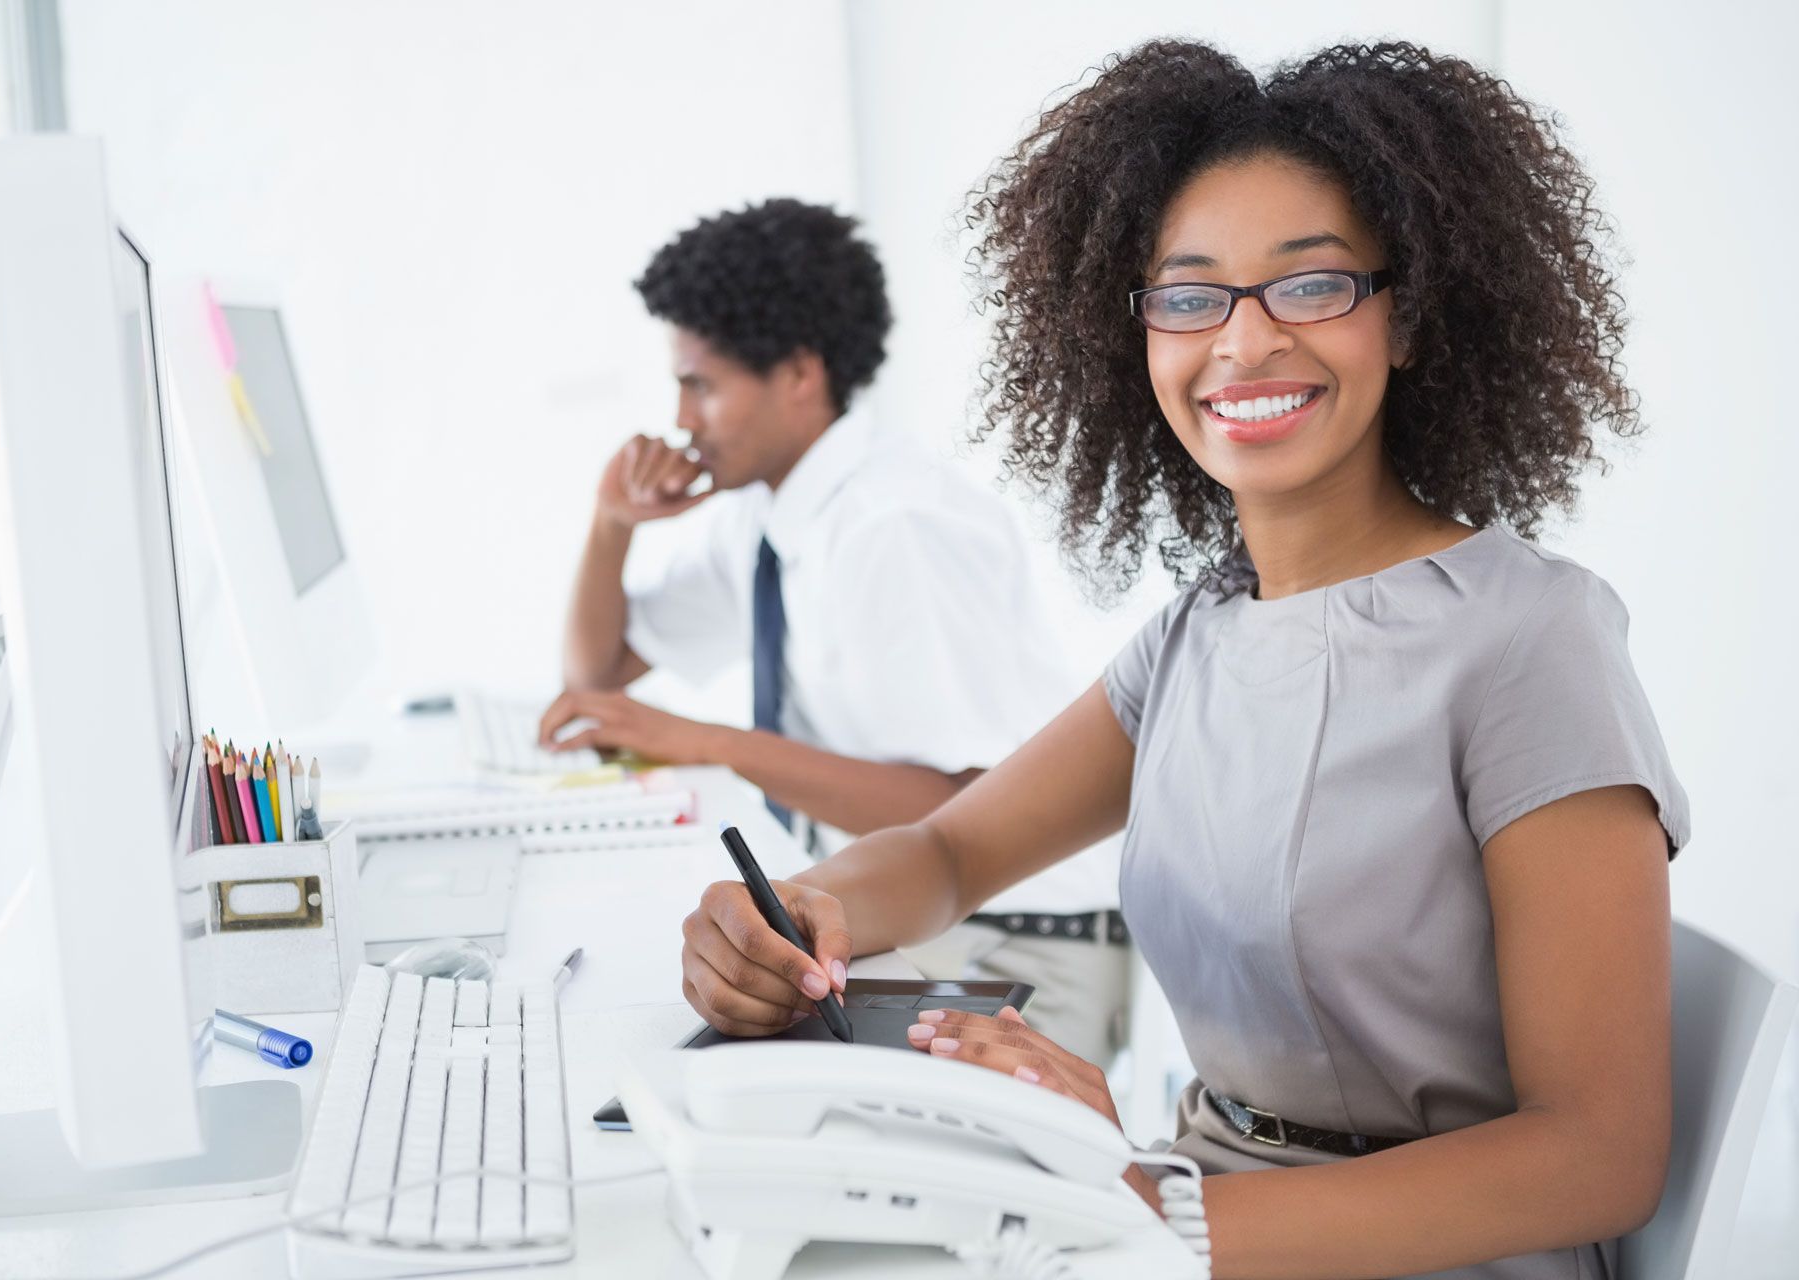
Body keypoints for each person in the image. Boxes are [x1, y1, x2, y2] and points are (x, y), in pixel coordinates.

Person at [677, 41, 1688, 1280]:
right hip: (1175, 1207)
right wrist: (806, 911)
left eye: (1310, 285)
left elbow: (1599, 1153)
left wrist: (1158, 1211)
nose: (1244, 343)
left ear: (1411, 315)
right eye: (1191, 294)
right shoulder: (1198, 632)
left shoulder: (1529, 640)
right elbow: (951, 851)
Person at [544, 198, 1126, 1062]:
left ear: (800, 374)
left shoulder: (893, 525)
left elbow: (955, 806)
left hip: (1021, 938)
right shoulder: (771, 515)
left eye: (700, 383)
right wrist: (611, 521)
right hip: (910, 919)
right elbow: (596, 675)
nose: (681, 417)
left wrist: (704, 742)